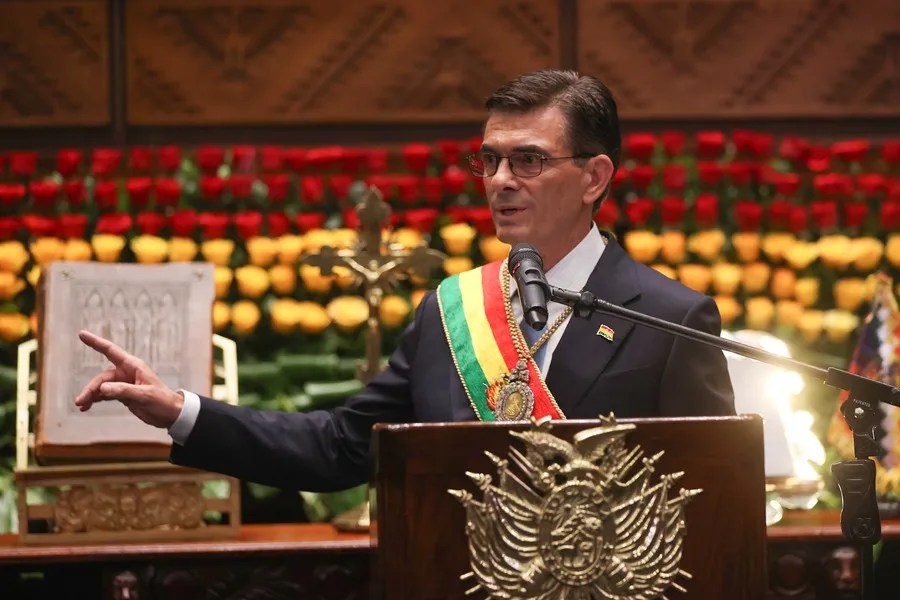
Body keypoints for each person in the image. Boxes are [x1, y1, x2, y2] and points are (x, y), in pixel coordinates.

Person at [75, 69, 735, 492]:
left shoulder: (671, 319)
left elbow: (713, 499)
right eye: (490, 160)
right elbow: (340, 448)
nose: (501, 181)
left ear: (594, 177)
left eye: (529, 161)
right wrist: (182, 411)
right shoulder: (452, 310)